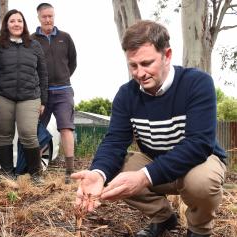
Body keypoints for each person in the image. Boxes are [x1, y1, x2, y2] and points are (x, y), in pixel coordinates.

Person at [71, 20, 227, 237]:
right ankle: (163, 217)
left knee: (201, 182)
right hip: (155, 163)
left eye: (146, 63)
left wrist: (144, 176)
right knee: (115, 174)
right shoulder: (126, 95)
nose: (139, 73)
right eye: (133, 65)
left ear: (167, 55)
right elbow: (115, 141)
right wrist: (99, 173)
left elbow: (199, 145)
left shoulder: (197, 83)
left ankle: (199, 230)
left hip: (198, 163)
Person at [0, 9, 48, 184]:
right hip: (1, 96)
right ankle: (8, 175)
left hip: (30, 96)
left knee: (28, 134)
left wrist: (43, 100)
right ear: (6, 24)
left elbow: (43, 73)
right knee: (5, 135)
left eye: (19, 21)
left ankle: (36, 175)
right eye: (12, 21)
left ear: (24, 24)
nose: (16, 24)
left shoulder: (34, 45)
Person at [31, 3, 77, 184]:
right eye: (45, 17)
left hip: (64, 90)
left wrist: (63, 77)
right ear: (39, 18)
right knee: (36, 130)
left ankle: (70, 171)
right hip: (41, 93)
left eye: (51, 16)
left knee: (66, 128)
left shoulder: (65, 38)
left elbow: (72, 63)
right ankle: (36, 172)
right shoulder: (32, 40)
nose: (48, 20)